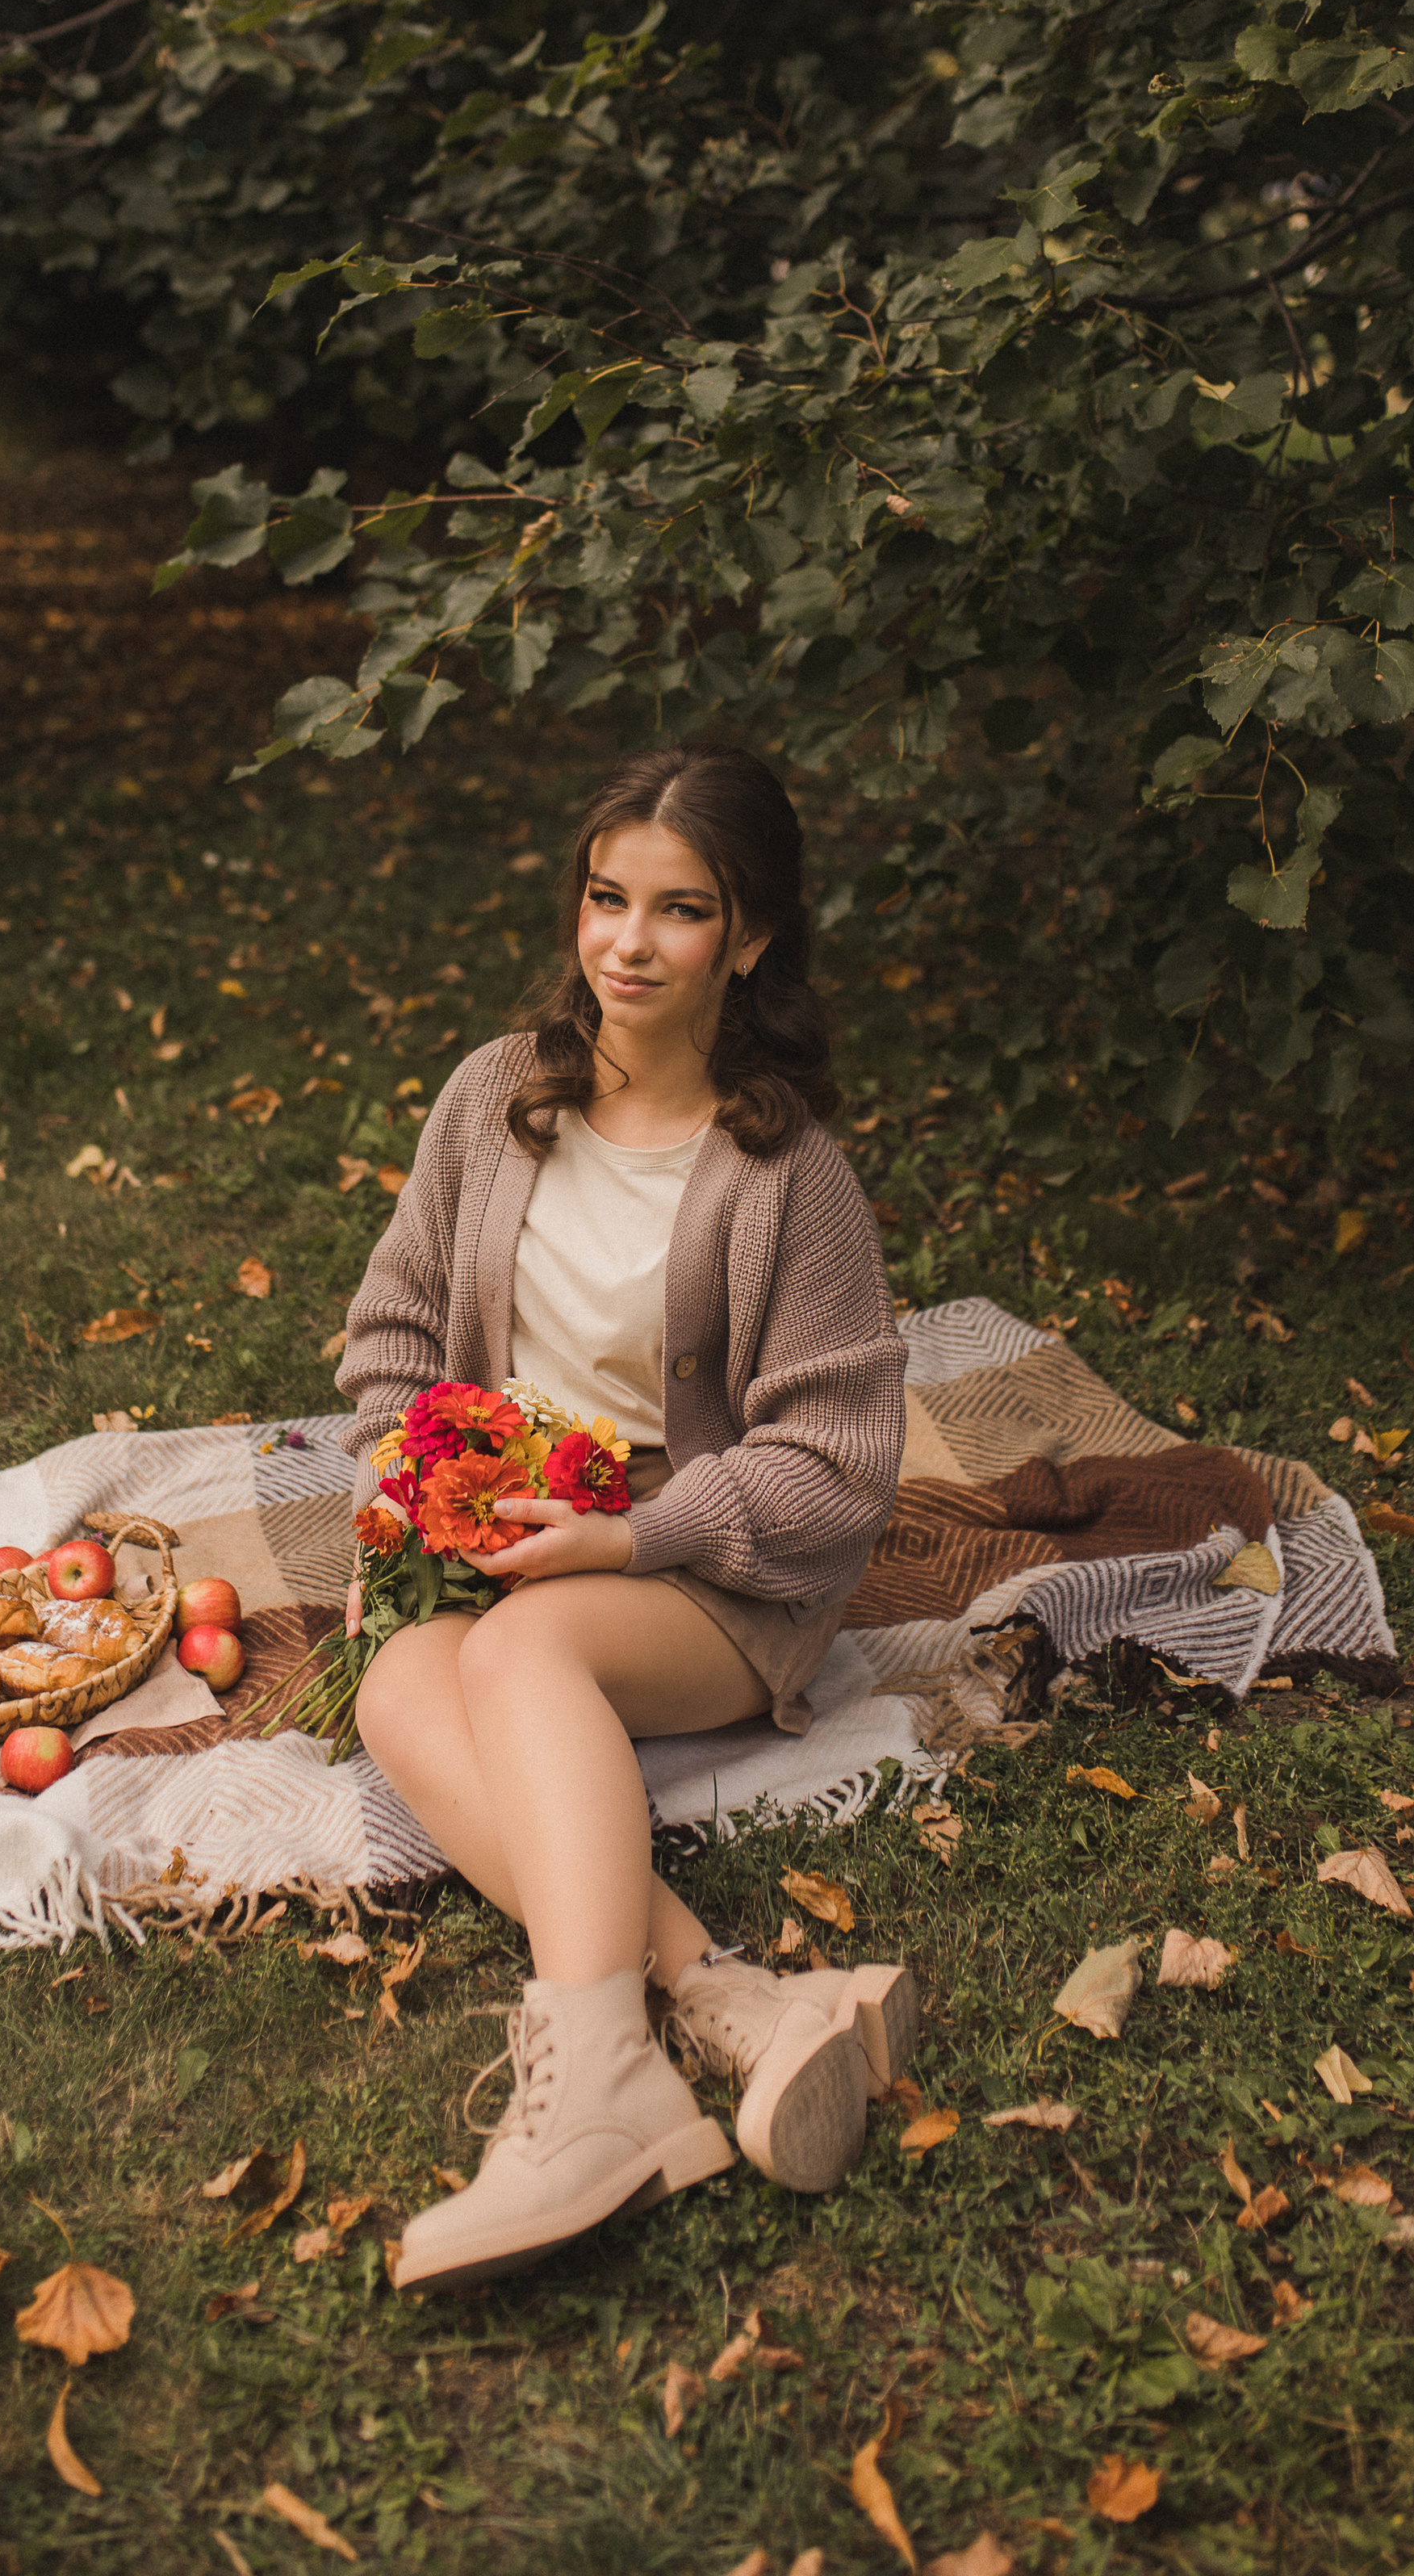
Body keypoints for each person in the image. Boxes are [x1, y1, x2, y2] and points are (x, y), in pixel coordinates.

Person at [338, 742, 914, 2292]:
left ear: (751, 938)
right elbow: (394, 1330)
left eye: (678, 910)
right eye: (606, 899)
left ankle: (592, 2086)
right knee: (397, 1686)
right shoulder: (494, 1100)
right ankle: (731, 2005)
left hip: (721, 1569)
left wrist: (629, 1540)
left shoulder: (787, 1176)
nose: (628, 945)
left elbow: (841, 1462)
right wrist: (415, 1480)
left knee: (523, 1661)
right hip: (522, 1532)